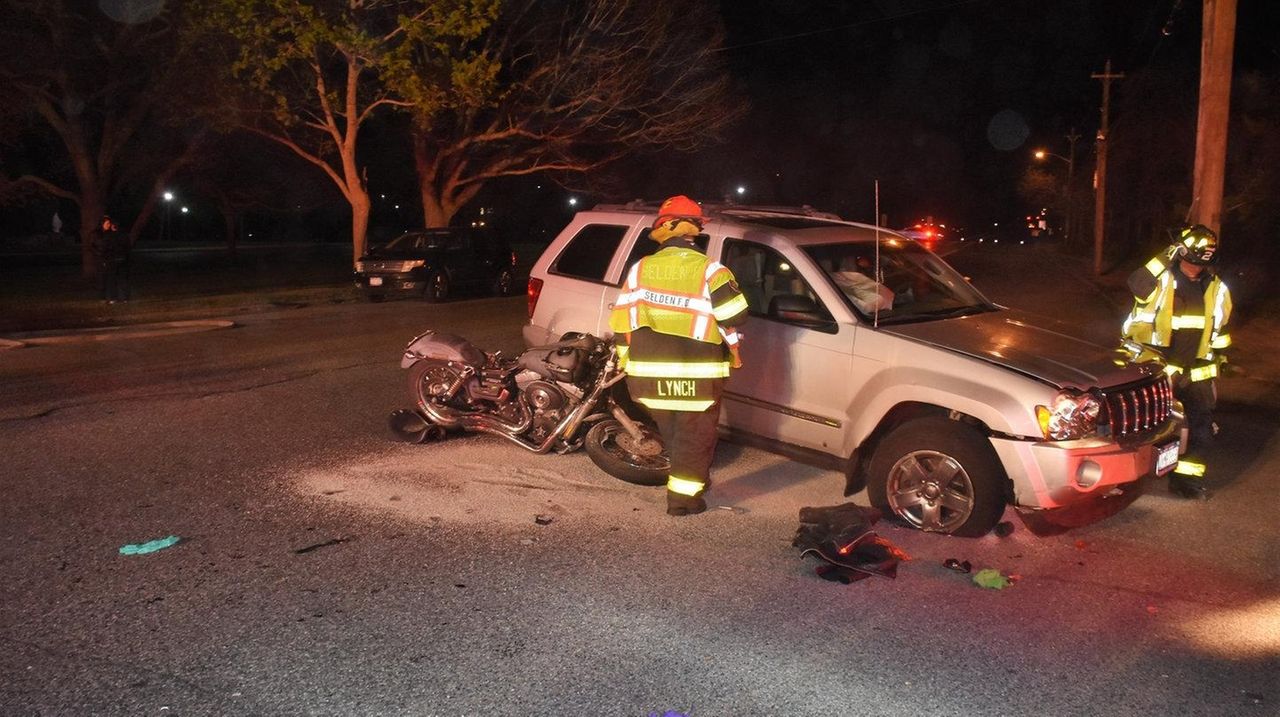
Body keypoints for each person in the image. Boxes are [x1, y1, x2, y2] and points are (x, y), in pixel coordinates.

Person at [609, 196, 750, 516]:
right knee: (695, 436)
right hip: (695, 374)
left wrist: (626, 362)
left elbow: (621, 321)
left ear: (662, 230)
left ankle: (688, 478)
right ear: (695, 231)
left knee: (674, 432)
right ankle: (683, 500)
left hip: (646, 375)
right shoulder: (710, 270)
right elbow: (735, 314)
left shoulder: (640, 269)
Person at [1121, 224, 1233, 500]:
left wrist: (1223, 359)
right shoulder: (1159, 281)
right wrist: (1168, 253)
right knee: (1139, 427)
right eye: (1192, 259)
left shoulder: (1218, 289)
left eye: (1201, 261)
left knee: (1200, 430)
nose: (1196, 267)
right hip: (1154, 369)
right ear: (1181, 253)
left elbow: (1220, 330)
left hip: (1196, 373)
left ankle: (1186, 482)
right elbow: (1136, 281)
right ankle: (1123, 478)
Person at [95, 215, 131, 303]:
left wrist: (104, 256)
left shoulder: (109, 236)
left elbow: (105, 248)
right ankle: (125, 298)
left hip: (112, 260)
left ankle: (113, 298)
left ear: (112, 226)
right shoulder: (124, 235)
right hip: (123, 260)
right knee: (122, 279)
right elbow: (128, 247)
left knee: (112, 280)